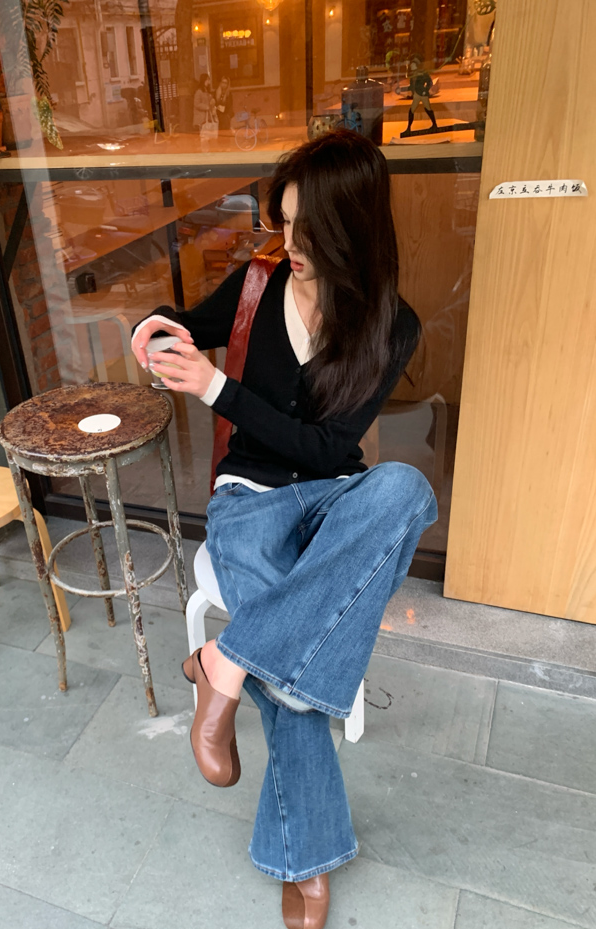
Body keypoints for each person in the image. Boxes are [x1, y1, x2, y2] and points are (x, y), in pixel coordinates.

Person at [131, 130, 437, 929]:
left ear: (352, 229)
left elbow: (327, 450)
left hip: (332, 496)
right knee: (294, 683)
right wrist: (154, 330)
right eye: (284, 221)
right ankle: (309, 865)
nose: (290, 242)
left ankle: (225, 660)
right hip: (247, 500)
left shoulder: (391, 325)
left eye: (309, 228)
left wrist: (218, 391)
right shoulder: (257, 284)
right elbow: (181, 323)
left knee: (403, 487)